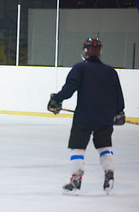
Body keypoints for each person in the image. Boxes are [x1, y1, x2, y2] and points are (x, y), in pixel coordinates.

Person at [47, 38, 125, 195]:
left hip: (84, 117)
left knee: (78, 148)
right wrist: (119, 112)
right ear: (100, 52)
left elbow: (70, 88)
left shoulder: (80, 68)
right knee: (105, 147)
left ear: (84, 51)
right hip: (105, 118)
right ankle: (109, 174)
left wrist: (57, 98)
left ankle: (75, 182)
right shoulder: (111, 72)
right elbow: (118, 95)